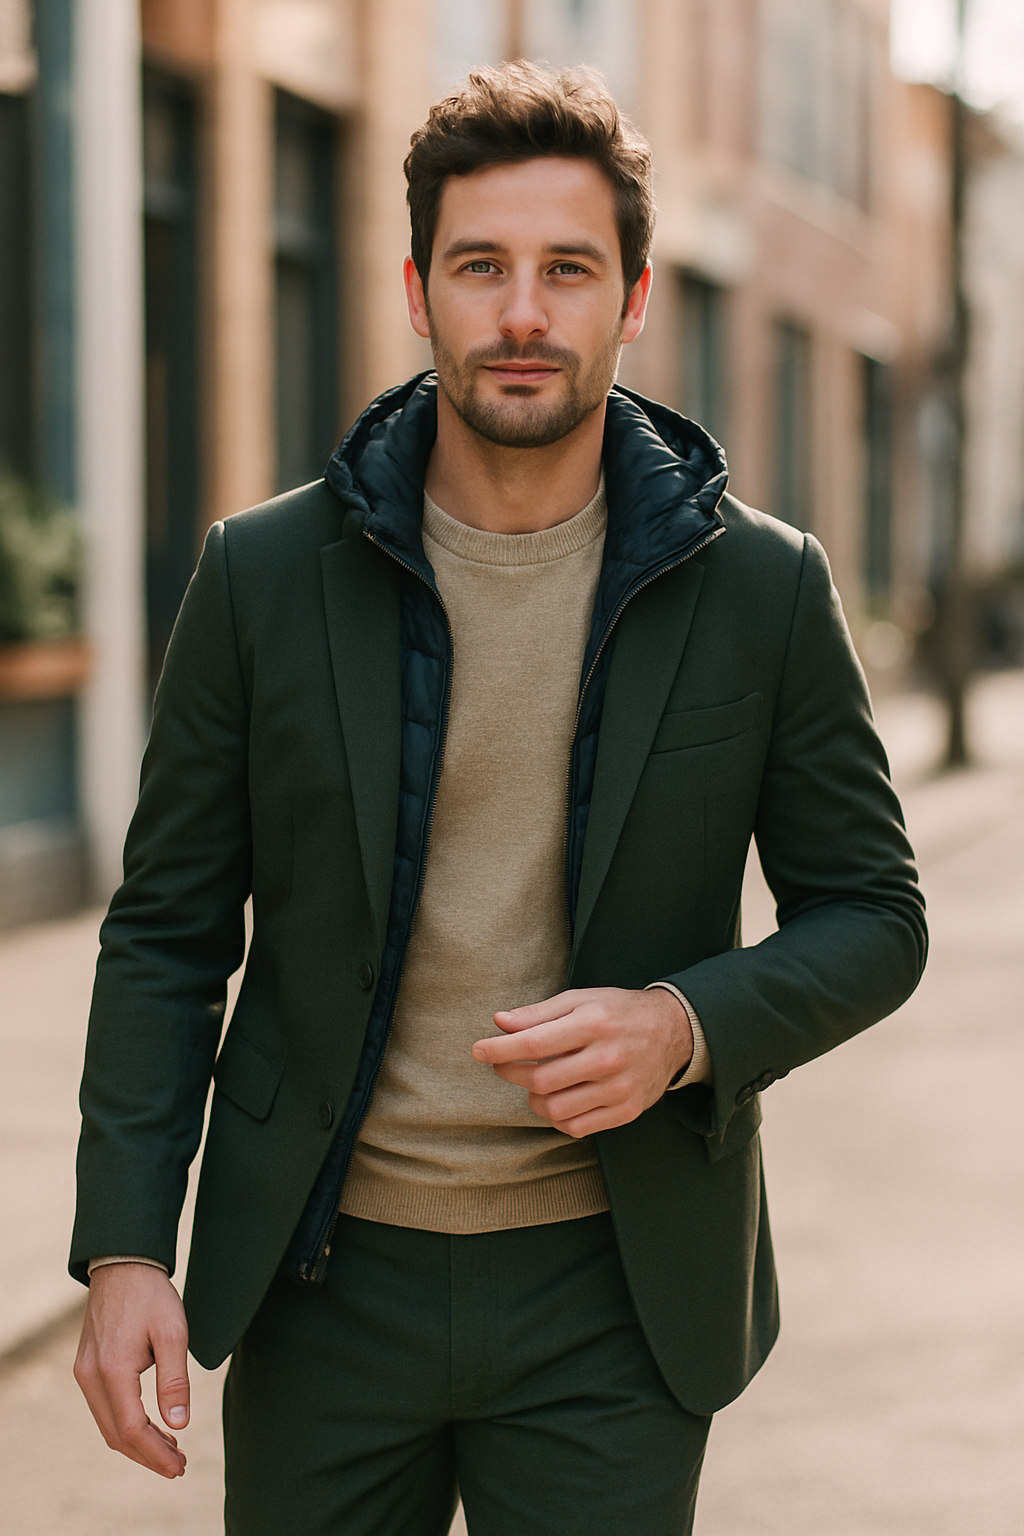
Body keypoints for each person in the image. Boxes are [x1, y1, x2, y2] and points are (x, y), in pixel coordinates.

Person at [70, 62, 926, 1536]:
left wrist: (686, 1025)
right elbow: (165, 932)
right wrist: (125, 1251)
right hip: (324, 1282)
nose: (522, 312)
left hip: (616, 1292)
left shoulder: (763, 590)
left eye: (567, 271)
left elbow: (874, 914)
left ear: (635, 298)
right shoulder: (260, 579)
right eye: (481, 266)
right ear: (416, 288)